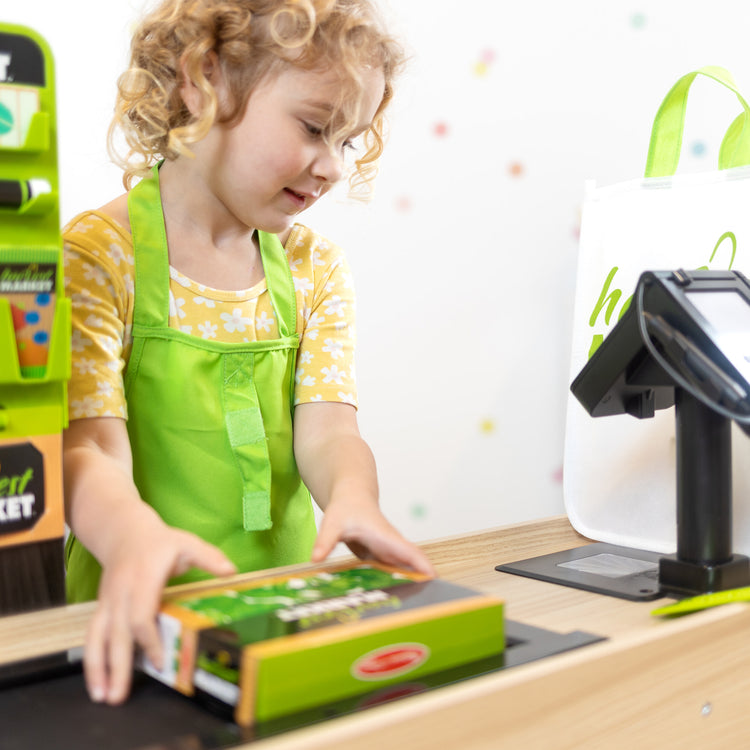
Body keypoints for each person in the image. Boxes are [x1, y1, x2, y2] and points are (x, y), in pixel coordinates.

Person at [62, 0, 435, 707]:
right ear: (206, 80)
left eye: (349, 142)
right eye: (316, 127)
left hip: (279, 620)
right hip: (137, 629)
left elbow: (329, 431)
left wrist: (355, 496)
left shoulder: (315, 269)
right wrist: (135, 536)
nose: (330, 166)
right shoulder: (97, 256)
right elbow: (88, 452)